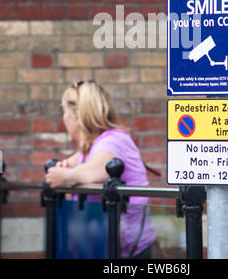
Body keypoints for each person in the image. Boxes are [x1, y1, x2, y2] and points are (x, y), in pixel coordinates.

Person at [45, 80, 157, 259]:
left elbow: (95, 171)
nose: (63, 118)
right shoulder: (92, 146)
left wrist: (65, 176)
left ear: (77, 114)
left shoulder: (113, 140)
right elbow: (73, 165)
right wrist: (64, 168)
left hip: (129, 251)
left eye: (64, 111)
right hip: (106, 246)